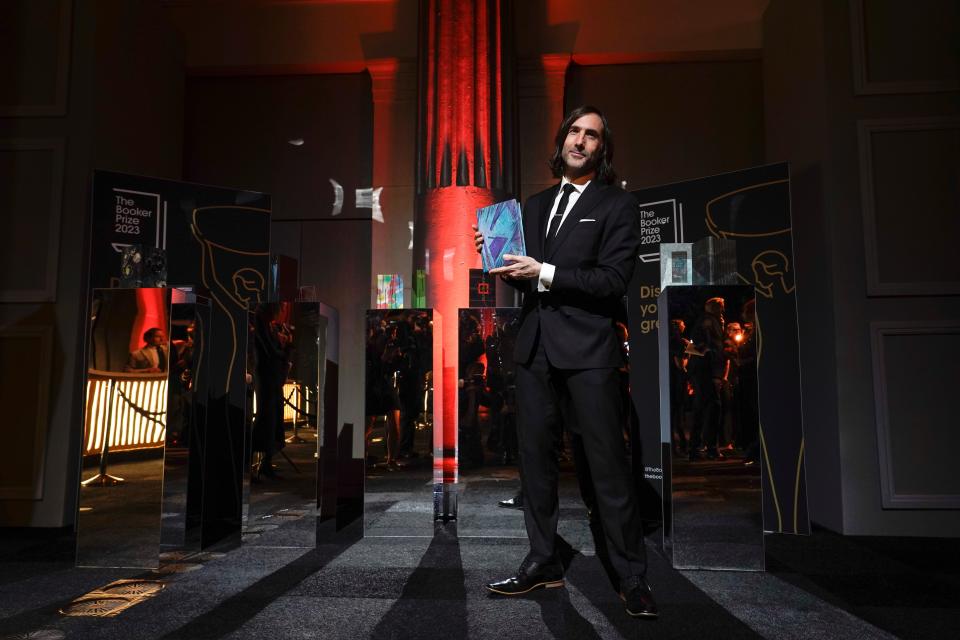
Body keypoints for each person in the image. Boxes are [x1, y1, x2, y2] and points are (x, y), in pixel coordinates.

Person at [473, 105, 657, 619]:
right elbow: (523, 275)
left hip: (589, 352)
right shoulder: (532, 205)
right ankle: (542, 560)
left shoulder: (619, 205)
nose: (580, 141)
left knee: (607, 468)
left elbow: (613, 282)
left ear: (603, 149)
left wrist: (545, 270)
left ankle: (630, 575)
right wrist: (498, 258)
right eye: (574, 132)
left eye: (592, 135)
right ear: (562, 140)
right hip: (534, 349)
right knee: (535, 466)